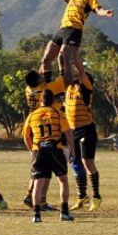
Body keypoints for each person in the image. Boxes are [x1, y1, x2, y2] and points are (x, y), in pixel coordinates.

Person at [39, 0, 114, 84]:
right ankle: (47, 86)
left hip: (74, 30)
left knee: (64, 56)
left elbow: (98, 10)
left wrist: (105, 12)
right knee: (46, 59)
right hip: (62, 29)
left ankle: (67, 87)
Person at [23, 90, 76, 223]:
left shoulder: (32, 115)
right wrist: (72, 150)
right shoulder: (58, 113)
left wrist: (32, 150)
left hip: (39, 151)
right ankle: (64, 213)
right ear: (52, 101)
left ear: (40, 101)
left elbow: (26, 136)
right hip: (55, 149)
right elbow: (68, 133)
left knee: (38, 182)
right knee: (63, 180)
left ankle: (36, 215)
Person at [21, 69, 65, 210]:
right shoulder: (45, 89)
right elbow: (64, 82)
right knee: (45, 167)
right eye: (41, 77)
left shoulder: (28, 89)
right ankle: (37, 199)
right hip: (44, 125)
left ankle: (34, 196)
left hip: (34, 124)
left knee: (38, 166)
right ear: (39, 81)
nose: (43, 76)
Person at [64, 63, 102, 212]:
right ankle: (82, 196)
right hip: (73, 131)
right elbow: (65, 71)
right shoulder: (69, 88)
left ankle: (97, 197)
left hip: (86, 130)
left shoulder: (86, 89)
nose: (78, 76)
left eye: (81, 76)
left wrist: (73, 57)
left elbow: (80, 72)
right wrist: (63, 57)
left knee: (88, 163)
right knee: (75, 163)